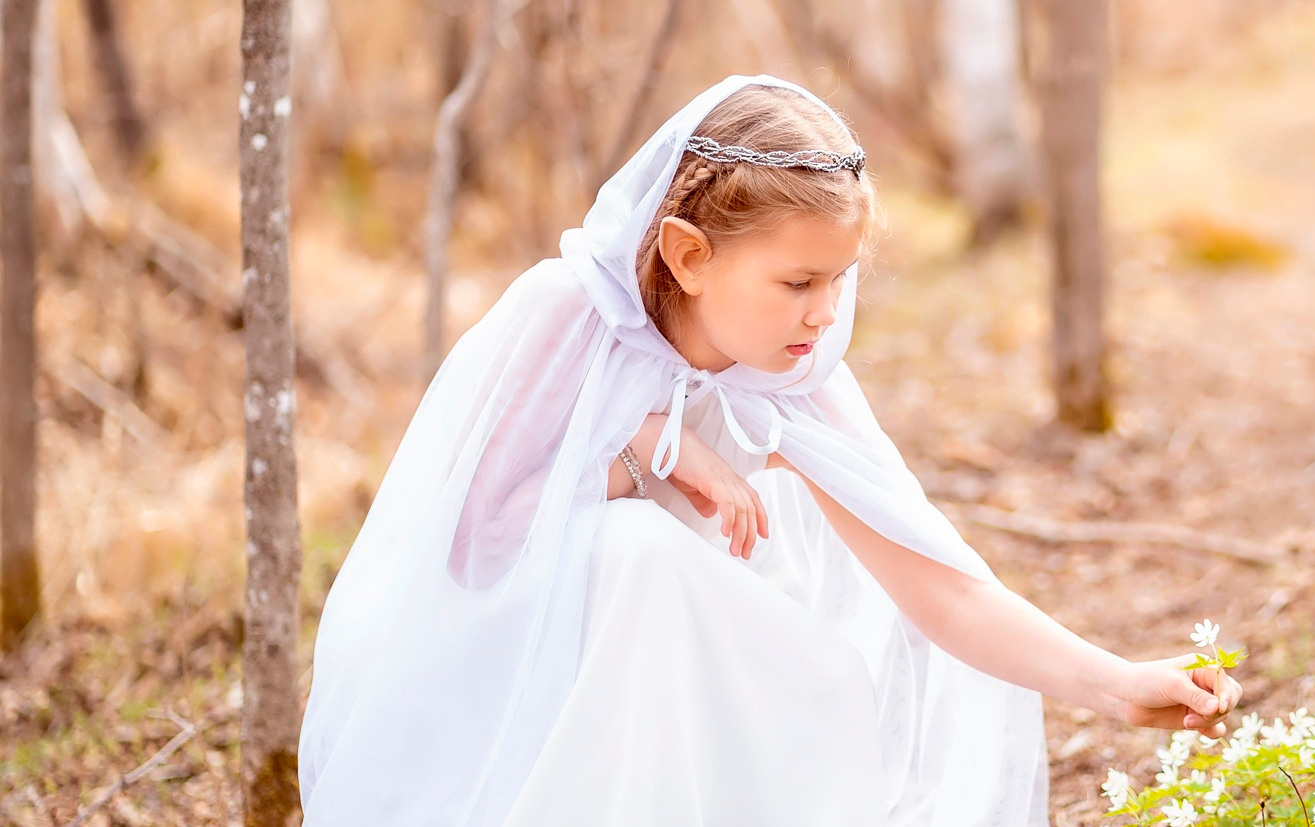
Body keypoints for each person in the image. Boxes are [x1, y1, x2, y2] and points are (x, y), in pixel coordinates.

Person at [298, 74, 1241, 826]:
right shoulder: (566, 320)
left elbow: (939, 584)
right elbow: (476, 545)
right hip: (521, 695)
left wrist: (1117, 685)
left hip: (683, 697)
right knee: (644, 553)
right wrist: (646, 448)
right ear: (686, 253)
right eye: (797, 281)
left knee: (817, 677)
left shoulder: (793, 377)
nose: (825, 313)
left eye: (838, 280)